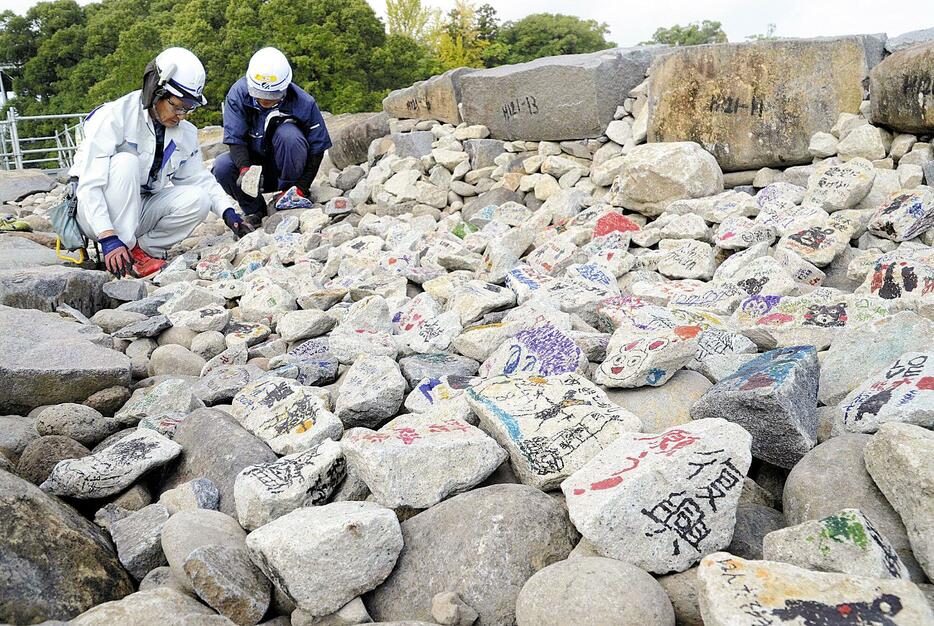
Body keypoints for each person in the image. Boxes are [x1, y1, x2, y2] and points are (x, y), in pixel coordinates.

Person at [70, 47, 254, 278]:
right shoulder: (114, 116)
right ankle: (122, 247)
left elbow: (198, 179)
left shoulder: (184, 132)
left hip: (139, 207)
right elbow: (89, 185)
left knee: (199, 199)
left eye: (188, 108)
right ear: (155, 91)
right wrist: (107, 237)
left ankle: (143, 251)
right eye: (177, 106)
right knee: (125, 162)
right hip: (97, 215)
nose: (181, 115)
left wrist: (229, 214)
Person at [213, 47, 332, 227]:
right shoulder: (237, 94)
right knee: (221, 166)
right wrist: (244, 169)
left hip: (286, 167)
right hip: (254, 167)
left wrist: (302, 187)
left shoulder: (304, 103)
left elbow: (318, 149)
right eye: (260, 96)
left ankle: (289, 195)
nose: (266, 101)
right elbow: (235, 139)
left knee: (290, 136)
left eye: (273, 96)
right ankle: (255, 209)